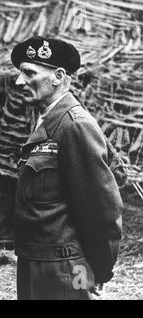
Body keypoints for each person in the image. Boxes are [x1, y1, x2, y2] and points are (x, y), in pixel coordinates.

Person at [11, 36, 123, 300]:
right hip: (35, 261)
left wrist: (99, 269)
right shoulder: (46, 119)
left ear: (58, 76)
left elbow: (102, 208)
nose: (19, 81)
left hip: (68, 268)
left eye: (29, 73)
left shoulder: (74, 125)